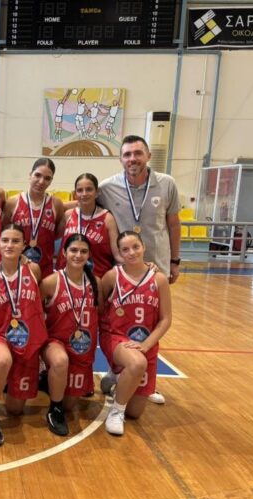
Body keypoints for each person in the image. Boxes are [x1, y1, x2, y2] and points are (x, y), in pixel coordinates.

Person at [98, 135, 181, 404]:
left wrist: (175, 261)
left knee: (152, 323)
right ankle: (117, 371)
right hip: (125, 270)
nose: (132, 159)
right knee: (119, 322)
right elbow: (82, 201)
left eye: (137, 153)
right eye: (127, 154)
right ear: (120, 159)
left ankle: (147, 380)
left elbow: (174, 223)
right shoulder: (107, 187)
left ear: (148, 155)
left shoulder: (166, 184)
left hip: (156, 266)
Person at [0, 225, 46, 445]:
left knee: (15, 409)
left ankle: (5, 380)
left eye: (15, 241)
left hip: (26, 338)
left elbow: (39, 302)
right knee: (3, 360)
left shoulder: (33, 270)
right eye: (5, 240)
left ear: (24, 246)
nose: (9, 245)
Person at [100, 231, 172, 435]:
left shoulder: (159, 279)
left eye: (135, 247)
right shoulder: (112, 276)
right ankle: (116, 411)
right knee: (137, 363)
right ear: (119, 253)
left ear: (144, 247)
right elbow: (100, 309)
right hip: (116, 336)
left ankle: (117, 380)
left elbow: (166, 319)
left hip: (145, 342)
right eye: (125, 249)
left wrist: (146, 345)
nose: (131, 252)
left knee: (135, 412)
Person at [40, 233, 100, 436]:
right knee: (60, 361)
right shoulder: (50, 282)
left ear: (89, 255)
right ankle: (54, 411)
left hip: (82, 348)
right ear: (64, 253)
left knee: (70, 404)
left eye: (83, 251)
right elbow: (32, 311)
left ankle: (47, 381)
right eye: (73, 250)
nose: (78, 255)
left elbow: (104, 312)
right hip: (55, 342)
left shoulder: (97, 283)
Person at [3, 157, 64, 279]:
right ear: (30, 175)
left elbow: (55, 233)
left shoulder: (56, 204)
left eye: (47, 178)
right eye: (37, 175)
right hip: (17, 267)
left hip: (45, 268)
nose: (41, 181)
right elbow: (4, 233)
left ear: (51, 181)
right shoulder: (13, 202)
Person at [56, 173, 120, 277]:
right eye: (80, 190)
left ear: (97, 192)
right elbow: (50, 239)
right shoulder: (68, 215)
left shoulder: (107, 218)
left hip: (96, 279)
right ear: (75, 194)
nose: (84, 194)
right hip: (66, 278)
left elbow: (118, 255)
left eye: (89, 189)